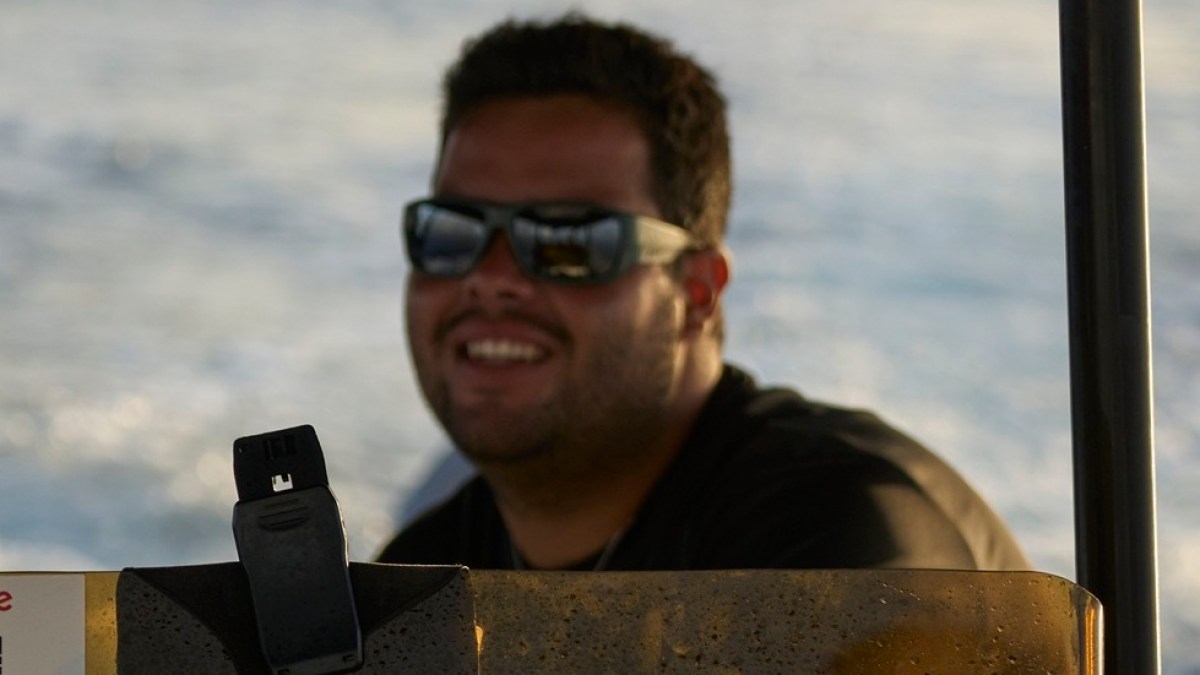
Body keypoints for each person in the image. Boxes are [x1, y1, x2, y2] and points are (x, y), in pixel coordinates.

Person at [377, 14, 1029, 571]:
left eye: (569, 242)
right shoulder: (421, 576)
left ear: (696, 292)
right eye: (450, 233)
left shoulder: (840, 543)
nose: (491, 277)